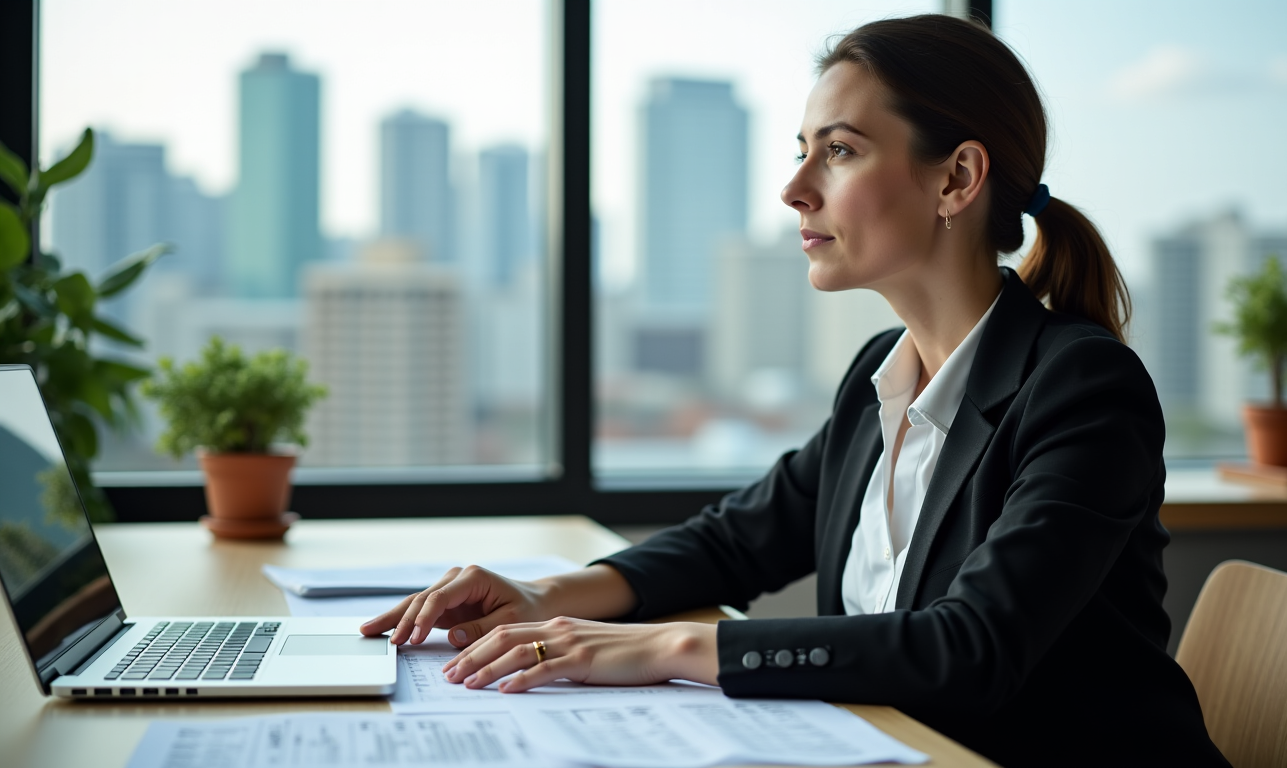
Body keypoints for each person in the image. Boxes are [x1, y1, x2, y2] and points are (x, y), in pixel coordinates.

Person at [362, 15, 1228, 767]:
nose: (794, 188)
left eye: (841, 150)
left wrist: (660, 647)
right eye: (802, 150)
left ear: (957, 179)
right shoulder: (879, 378)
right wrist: (545, 598)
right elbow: (735, 543)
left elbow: (973, 648)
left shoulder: (1081, 386)